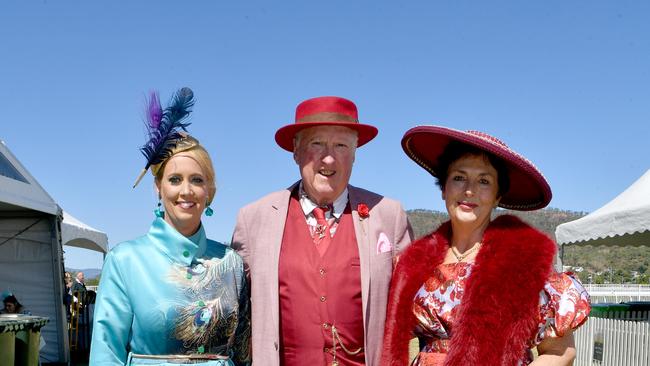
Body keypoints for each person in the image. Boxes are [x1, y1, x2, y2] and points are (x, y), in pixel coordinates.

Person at [382, 126, 591, 366]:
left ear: (497, 195)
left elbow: (560, 353)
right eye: (459, 178)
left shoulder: (524, 262)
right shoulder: (413, 263)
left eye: (484, 181)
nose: (469, 190)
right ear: (444, 188)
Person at [231, 96, 413, 366]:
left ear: (354, 154)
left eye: (341, 145)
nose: (329, 158)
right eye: (317, 144)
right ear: (296, 151)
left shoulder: (388, 215)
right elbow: (234, 313)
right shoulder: (254, 219)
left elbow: (409, 313)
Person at [90, 88, 250, 366]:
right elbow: (106, 352)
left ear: (209, 192)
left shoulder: (232, 263)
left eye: (197, 180)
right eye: (175, 179)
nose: (186, 191)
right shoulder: (125, 260)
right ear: (158, 188)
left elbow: (246, 351)